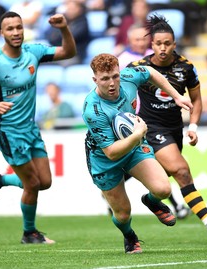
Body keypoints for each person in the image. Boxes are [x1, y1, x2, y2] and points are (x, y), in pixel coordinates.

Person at [0, 11, 76, 244]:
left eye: (19, 27)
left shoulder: (33, 52)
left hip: (30, 127)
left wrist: (63, 28)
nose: (16, 32)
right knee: (32, 184)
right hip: (8, 131)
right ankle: (29, 232)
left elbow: (69, 52)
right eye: (10, 29)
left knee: (44, 182)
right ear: (2, 33)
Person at [128, 14, 207, 244]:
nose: (163, 48)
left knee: (162, 183)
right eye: (158, 44)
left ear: (174, 44)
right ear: (151, 44)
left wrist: (193, 126)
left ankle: (151, 200)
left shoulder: (186, 67)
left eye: (167, 43)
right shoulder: (138, 68)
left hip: (174, 129)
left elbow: (196, 100)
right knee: (182, 171)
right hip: (150, 128)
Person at [82, 53, 193, 254]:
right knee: (123, 214)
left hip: (133, 147)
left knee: (163, 190)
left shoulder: (129, 77)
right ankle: (129, 236)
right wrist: (138, 134)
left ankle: (151, 201)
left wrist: (176, 95)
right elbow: (111, 153)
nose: (112, 83)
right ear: (95, 80)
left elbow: (150, 72)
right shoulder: (93, 110)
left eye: (115, 76)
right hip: (104, 159)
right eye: (105, 79)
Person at [44, 0, 89, 66]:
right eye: (68, 8)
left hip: (74, 56)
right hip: (58, 53)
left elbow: (71, 37)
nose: (70, 11)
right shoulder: (62, 20)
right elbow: (49, 36)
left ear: (80, 10)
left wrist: (62, 30)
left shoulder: (83, 22)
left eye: (73, 9)